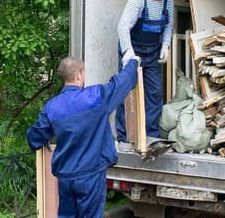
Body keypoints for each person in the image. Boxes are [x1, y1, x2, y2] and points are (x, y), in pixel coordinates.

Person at [26, 53, 140, 218]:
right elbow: (121, 83)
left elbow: (34, 137)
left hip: (65, 177)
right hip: (90, 175)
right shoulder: (95, 97)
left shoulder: (52, 107)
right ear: (79, 74)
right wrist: (133, 63)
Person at [115, 0, 175, 148]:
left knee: (155, 93)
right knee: (127, 91)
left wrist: (165, 45)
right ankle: (124, 136)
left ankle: (151, 135)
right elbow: (123, 26)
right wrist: (128, 52)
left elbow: (168, 25)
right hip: (133, 50)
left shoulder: (168, 2)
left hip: (153, 51)